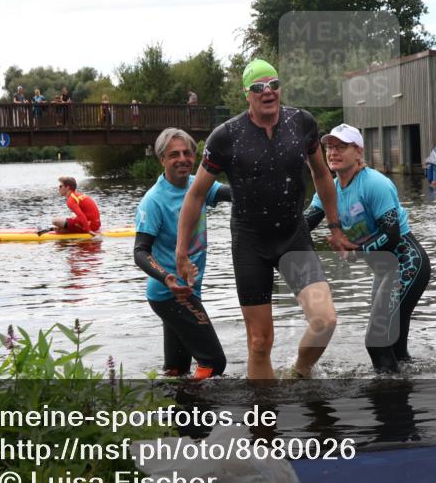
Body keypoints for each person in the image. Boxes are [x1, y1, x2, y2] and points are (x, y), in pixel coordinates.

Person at [175, 59, 354, 379]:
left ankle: (298, 374)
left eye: (273, 84)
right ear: (247, 94)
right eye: (258, 87)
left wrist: (335, 226)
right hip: (250, 243)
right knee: (260, 342)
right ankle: (263, 420)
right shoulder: (226, 136)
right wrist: (181, 251)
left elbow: (322, 175)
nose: (267, 91)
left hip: (292, 236)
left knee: (325, 320)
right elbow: (196, 195)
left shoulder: (302, 123)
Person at [303, 124, 431, 373]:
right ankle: (404, 391)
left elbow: (392, 235)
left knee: (376, 340)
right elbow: (303, 225)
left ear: (358, 151)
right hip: (383, 273)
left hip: (407, 264)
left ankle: (387, 399)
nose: (333, 153)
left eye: (341, 147)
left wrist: (357, 250)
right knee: (393, 346)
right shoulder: (328, 188)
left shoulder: (374, 183)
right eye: (329, 147)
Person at [134, 128, 231, 379]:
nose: (182, 159)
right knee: (213, 363)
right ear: (162, 160)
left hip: (186, 291)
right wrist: (167, 277)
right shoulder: (153, 200)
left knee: (177, 370)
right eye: (174, 154)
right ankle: (201, 413)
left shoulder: (197, 185)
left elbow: (228, 193)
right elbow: (140, 252)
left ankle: (180, 413)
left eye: (188, 153)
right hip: (169, 293)